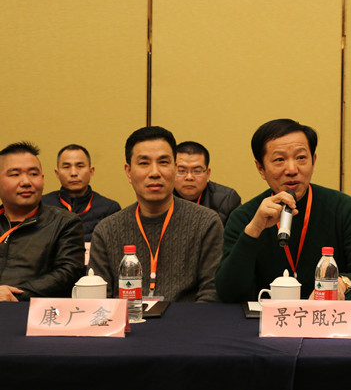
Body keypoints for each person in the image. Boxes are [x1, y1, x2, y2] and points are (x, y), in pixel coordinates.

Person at [215, 118, 351, 303]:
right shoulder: (245, 217)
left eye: (301, 158)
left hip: (329, 316)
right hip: (270, 318)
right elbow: (228, 292)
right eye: (279, 160)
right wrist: (253, 231)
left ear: (313, 161)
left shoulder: (343, 208)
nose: (292, 169)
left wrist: (342, 284)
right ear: (260, 168)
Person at [89, 126, 223, 302]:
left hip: (188, 319)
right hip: (127, 319)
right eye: (144, 163)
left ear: (175, 169)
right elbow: (99, 300)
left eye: (163, 162)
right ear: (128, 172)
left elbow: (212, 293)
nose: (154, 173)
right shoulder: (107, 230)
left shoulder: (206, 223)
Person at [0, 141, 84, 301]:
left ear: (42, 179)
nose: (26, 182)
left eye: (33, 174)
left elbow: (67, 273)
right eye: (15, 174)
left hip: (33, 309)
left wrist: (14, 295)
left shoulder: (64, 222)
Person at [42, 144, 121, 242]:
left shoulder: (109, 208)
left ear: (91, 171)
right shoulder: (43, 205)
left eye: (80, 166)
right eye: (66, 167)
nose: (73, 173)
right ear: (57, 173)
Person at [173, 141, 241, 227]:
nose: (189, 177)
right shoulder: (161, 197)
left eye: (197, 171)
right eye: (182, 171)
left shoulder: (227, 200)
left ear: (208, 174)